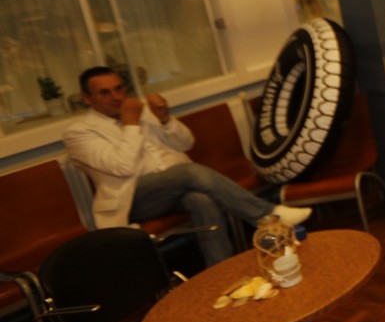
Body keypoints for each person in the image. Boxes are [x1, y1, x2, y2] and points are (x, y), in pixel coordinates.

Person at [64, 67, 310, 268]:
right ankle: (267, 215)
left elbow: (186, 143)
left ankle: (221, 270)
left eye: (119, 89)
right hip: (132, 198)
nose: (116, 97)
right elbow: (122, 167)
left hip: (174, 188)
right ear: (87, 99)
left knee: (200, 200)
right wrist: (131, 123)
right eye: (104, 93)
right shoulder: (79, 132)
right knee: (188, 173)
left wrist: (164, 118)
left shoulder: (142, 112)